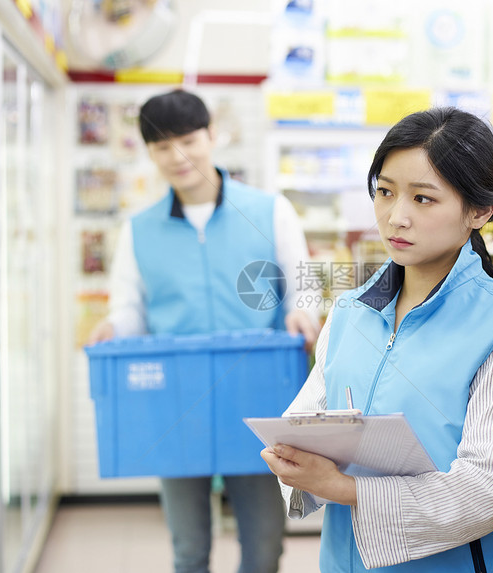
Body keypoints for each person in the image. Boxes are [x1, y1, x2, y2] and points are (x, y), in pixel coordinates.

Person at [261, 107, 493, 572]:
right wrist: (293, 457)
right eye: (385, 192)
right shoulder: (350, 311)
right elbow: (306, 418)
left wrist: (344, 488)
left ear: (479, 210)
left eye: (423, 199)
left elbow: (484, 493)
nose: (396, 217)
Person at [87, 88, 320, 573]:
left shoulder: (269, 210)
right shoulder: (139, 230)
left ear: (212, 135)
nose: (178, 157)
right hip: (177, 403)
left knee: (263, 546)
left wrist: (305, 313)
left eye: (189, 141)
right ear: (150, 152)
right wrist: (113, 326)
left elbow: (303, 285)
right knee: (188, 549)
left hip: (257, 399)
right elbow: (130, 308)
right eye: (162, 146)